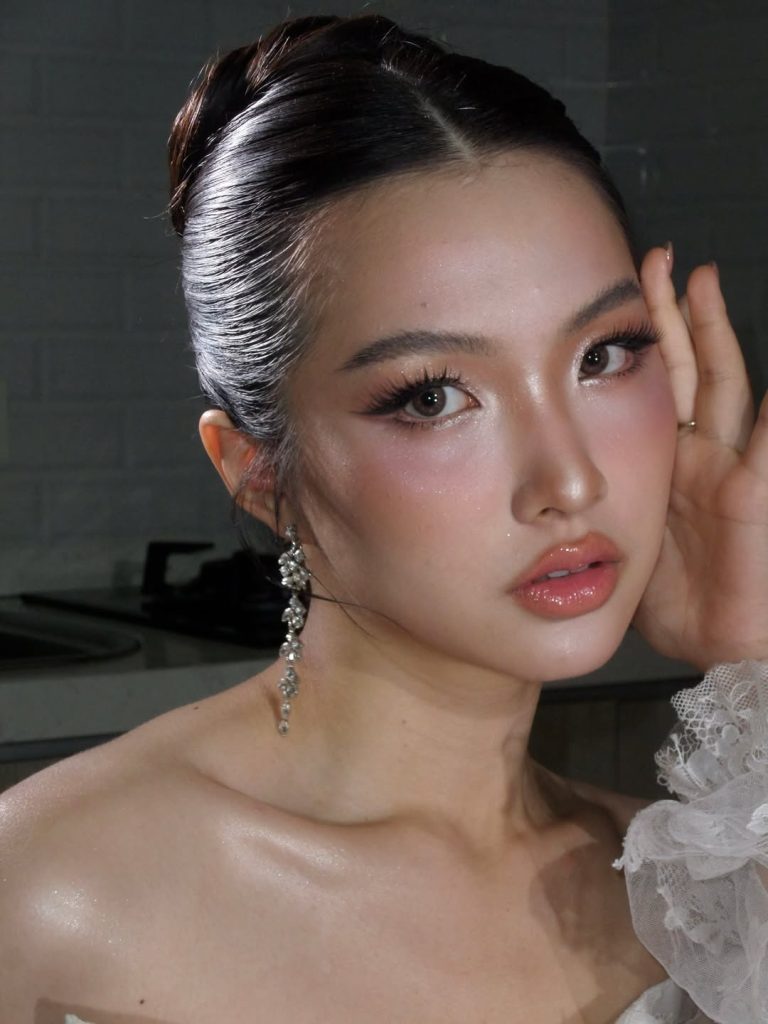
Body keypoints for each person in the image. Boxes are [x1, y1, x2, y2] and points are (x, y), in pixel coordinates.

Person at [2, 13, 768, 1024]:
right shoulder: (51, 892)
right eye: (434, 396)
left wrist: (751, 656)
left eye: (603, 355)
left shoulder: (700, 891)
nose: (571, 481)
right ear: (257, 471)